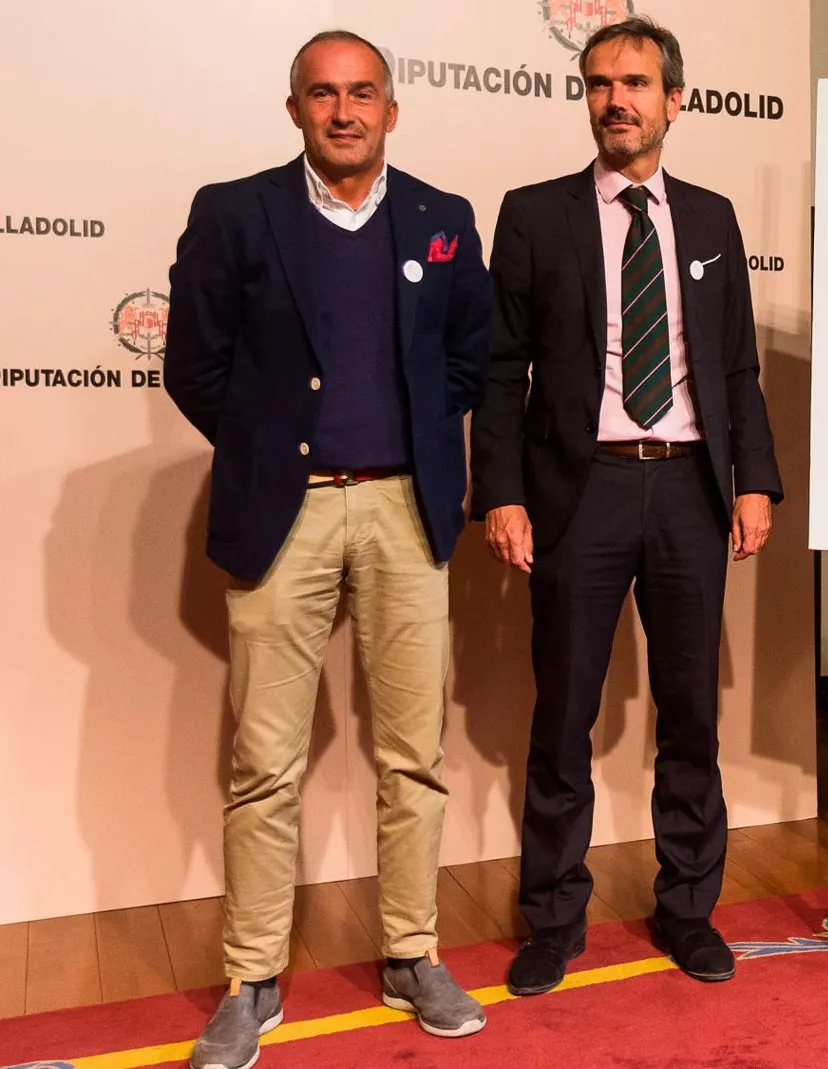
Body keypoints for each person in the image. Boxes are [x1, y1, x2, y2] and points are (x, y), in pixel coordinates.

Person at [164, 29, 493, 1069]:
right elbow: (194, 367)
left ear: (392, 110)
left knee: (414, 755)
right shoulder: (236, 211)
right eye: (322, 95)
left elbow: (467, 359)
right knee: (265, 760)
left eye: (362, 95)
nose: (343, 112)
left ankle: (411, 953)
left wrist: (406, 443)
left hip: (406, 511)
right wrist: (270, 447)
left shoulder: (444, 218)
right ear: (295, 108)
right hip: (286, 512)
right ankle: (251, 976)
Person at [470, 15, 781, 994]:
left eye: (637, 83)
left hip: (690, 487)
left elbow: (735, 365)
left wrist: (757, 478)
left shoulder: (713, 216)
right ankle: (552, 919)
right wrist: (502, 494)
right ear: (588, 97)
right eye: (601, 82)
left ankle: (688, 908)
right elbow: (498, 369)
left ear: (673, 100)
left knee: (690, 715)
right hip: (580, 489)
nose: (617, 99)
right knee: (562, 715)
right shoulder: (532, 214)